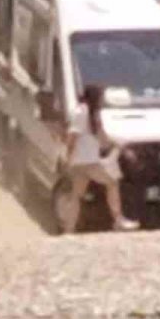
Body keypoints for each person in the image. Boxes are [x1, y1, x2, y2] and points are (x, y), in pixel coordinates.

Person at [59, 85, 139, 234]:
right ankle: (118, 220)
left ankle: (68, 229)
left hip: (82, 161)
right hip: (87, 161)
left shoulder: (91, 113)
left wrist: (117, 145)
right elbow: (72, 137)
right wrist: (67, 157)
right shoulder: (82, 112)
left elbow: (101, 137)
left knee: (76, 195)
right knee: (112, 182)